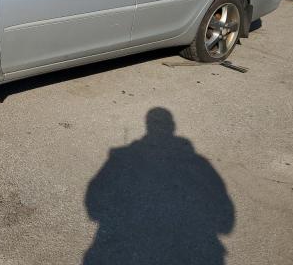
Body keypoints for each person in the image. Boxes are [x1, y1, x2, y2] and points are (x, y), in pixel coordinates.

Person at [84, 107, 234, 265]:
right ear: (172, 127)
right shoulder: (198, 163)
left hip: (127, 246)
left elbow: (93, 199)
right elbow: (226, 220)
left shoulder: (121, 158)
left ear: (148, 126)